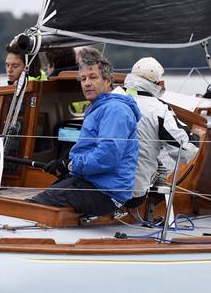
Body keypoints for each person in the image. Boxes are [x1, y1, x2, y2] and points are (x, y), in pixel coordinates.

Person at [30, 48, 141, 216]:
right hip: (92, 182)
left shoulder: (115, 110)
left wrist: (70, 165)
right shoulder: (100, 107)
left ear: (108, 80)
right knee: (46, 195)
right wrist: (67, 168)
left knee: (34, 206)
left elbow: (107, 156)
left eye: (93, 77)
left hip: (105, 192)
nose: (87, 83)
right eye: (83, 79)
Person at [123, 57, 198, 201]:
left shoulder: (110, 99)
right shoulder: (159, 110)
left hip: (98, 185)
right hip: (132, 193)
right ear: (157, 83)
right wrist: (195, 138)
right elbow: (184, 153)